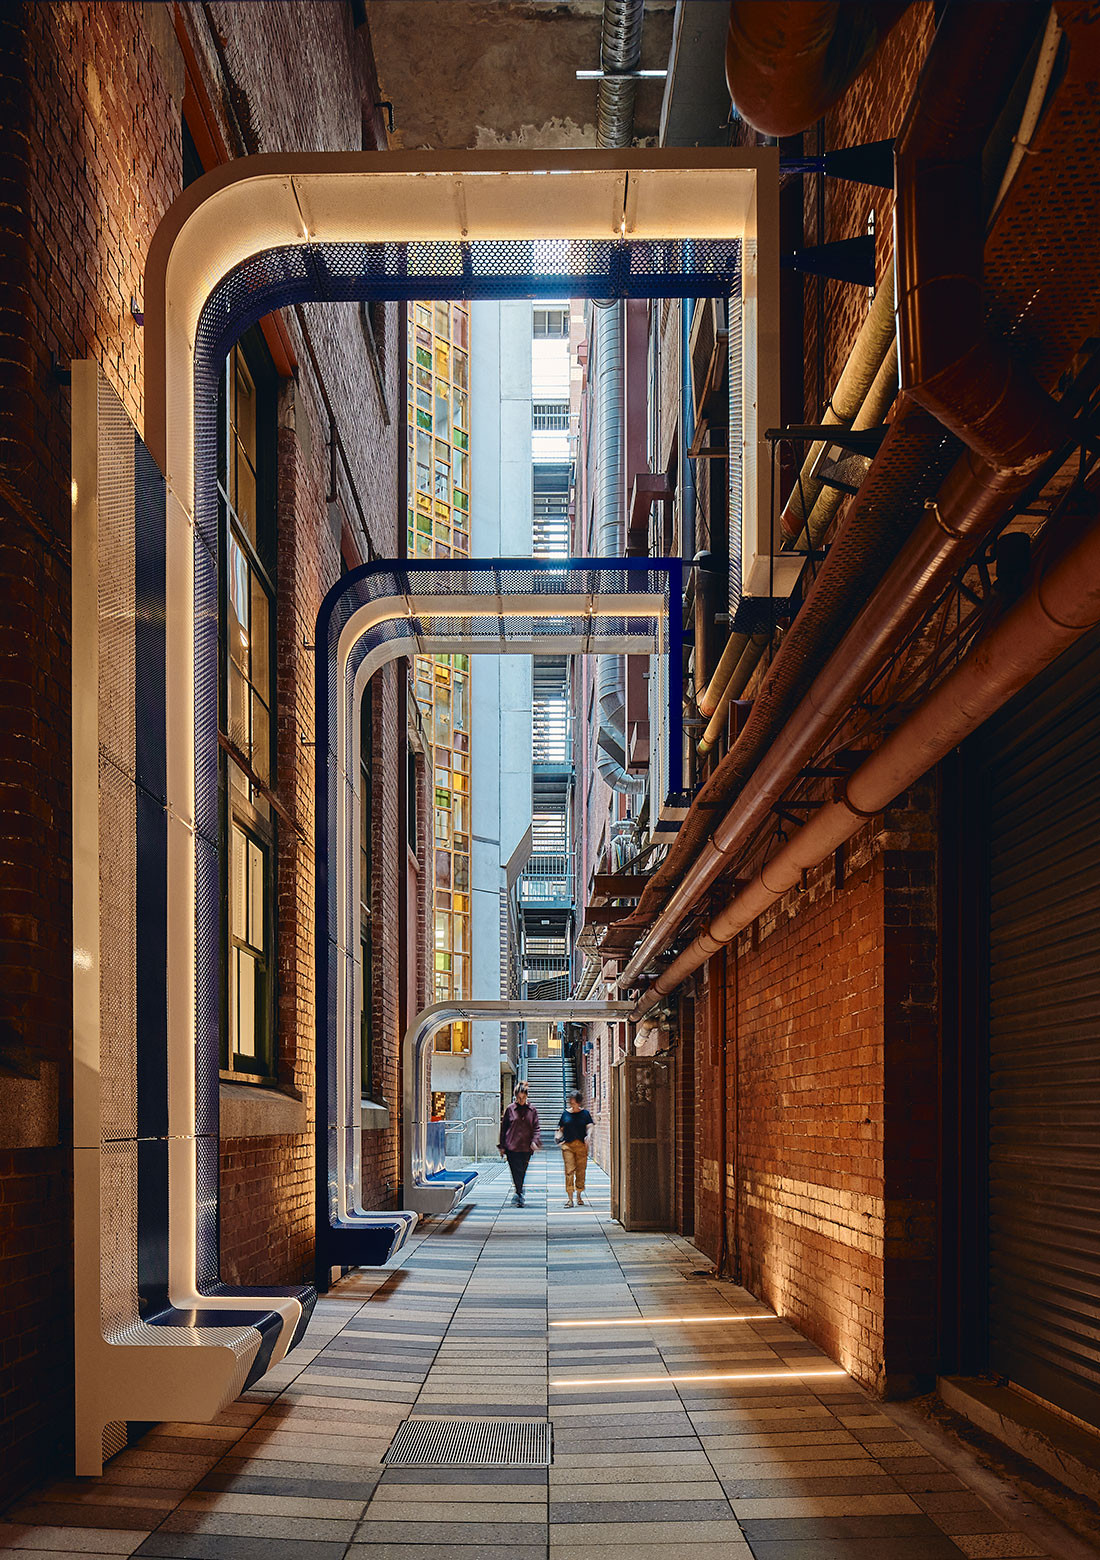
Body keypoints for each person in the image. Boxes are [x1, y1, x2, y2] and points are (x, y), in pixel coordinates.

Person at [498, 1081, 541, 1207]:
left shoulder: (532, 1110)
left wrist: (534, 1141)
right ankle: (519, 1193)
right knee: (515, 1170)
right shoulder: (510, 1109)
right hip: (512, 1146)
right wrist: (501, 1146)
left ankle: (518, 1191)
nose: (521, 1100)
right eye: (518, 1098)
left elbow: (536, 1127)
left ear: (526, 1096)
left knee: (522, 1170)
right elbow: (504, 1128)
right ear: (515, 1096)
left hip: (526, 1147)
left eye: (523, 1098)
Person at [556, 1088, 594, 1208]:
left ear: (579, 1102)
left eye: (574, 1102)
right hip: (568, 1146)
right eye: (570, 1102)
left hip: (581, 1146)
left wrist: (589, 1135)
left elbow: (590, 1126)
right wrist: (557, 1137)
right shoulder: (565, 1114)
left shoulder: (585, 1114)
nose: (572, 1104)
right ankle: (570, 1199)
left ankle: (579, 1194)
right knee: (569, 1171)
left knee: (581, 1171)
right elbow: (560, 1129)